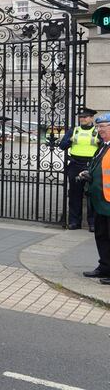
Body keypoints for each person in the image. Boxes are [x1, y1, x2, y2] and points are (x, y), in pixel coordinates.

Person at [59, 107, 99, 230]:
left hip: (92, 166)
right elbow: (62, 146)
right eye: (81, 117)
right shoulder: (74, 131)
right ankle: (74, 222)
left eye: (85, 117)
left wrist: (99, 142)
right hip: (75, 165)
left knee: (92, 195)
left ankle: (93, 223)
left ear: (91, 118)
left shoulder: (97, 131)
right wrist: (70, 141)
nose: (82, 119)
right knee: (75, 195)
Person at [81, 113, 110, 285]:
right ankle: (105, 267)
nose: (99, 130)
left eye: (103, 127)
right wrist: (88, 174)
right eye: (98, 127)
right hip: (101, 201)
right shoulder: (103, 146)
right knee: (101, 235)